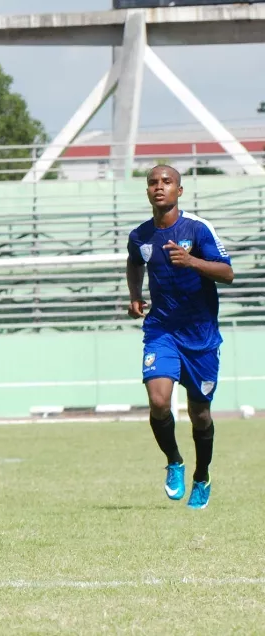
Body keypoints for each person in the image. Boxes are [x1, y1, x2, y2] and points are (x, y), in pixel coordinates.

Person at [126, 164, 233, 510]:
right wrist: (134, 294)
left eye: (167, 182)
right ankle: (174, 460)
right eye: (153, 183)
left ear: (179, 191)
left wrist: (192, 262)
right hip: (162, 330)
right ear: (148, 192)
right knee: (159, 402)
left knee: (200, 415)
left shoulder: (197, 229)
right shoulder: (140, 236)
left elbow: (228, 272)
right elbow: (134, 261)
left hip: (201, 337)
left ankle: (201, 476)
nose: (160, 187)